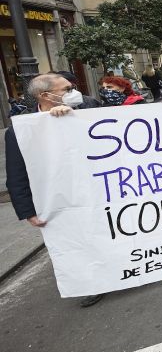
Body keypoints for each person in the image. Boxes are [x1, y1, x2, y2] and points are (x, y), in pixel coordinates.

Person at [6, 74, 101, 306]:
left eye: (72, 88)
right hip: (62, 199)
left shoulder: (88, 106)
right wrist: (27, 210)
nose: (73, 92)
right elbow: (16, 174)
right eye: (66, 89)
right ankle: (92, 283)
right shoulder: (21, 130)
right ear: (45, 96)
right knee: (76, 241)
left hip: (97, 189)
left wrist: (72, 118)